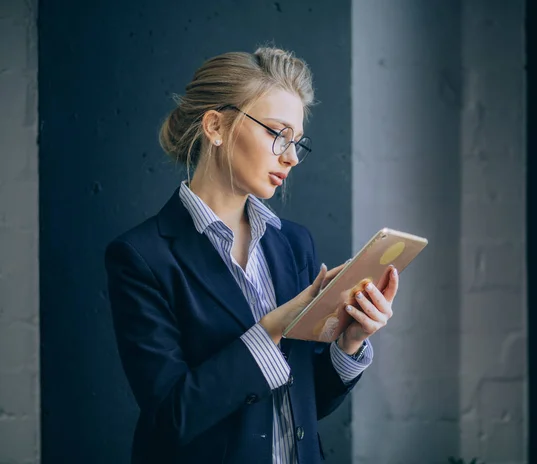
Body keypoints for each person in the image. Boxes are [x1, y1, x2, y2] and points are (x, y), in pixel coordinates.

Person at [104, 47, 399, 464]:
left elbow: (304, 404)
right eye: (277, 133)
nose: (292, 157)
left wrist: (350, 343)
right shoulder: (140, 256)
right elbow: (173, 416)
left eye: (297, 142)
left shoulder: (293, 244)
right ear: (216, 126)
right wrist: (277, 324)